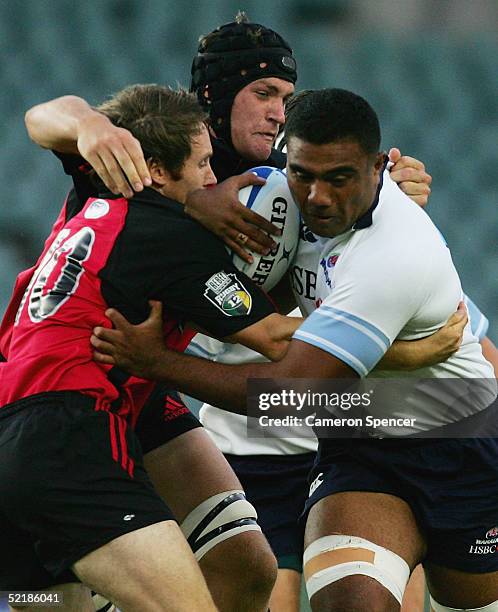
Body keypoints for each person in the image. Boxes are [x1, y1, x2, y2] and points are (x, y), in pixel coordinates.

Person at [29, 14, 460, 611]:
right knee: (76, 598)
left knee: (246, 568)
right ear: (215, 98)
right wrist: (87, 125)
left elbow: (320, 296)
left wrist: (385, 194)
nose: (279, 111)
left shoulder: (296, 183)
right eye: (263, 93)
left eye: (287, 96)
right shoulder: (148, 164)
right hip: (92, 395)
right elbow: (43, 117)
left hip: (167, 394)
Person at [91, 88, 498, 612]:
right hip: (362, 437)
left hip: (457, 439)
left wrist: (157, 362)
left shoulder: (397, 254)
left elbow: (290, 395)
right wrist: (196, 200)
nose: (318, 197)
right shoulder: (286, 203)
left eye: (339, 178)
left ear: (378, 167)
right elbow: (276, 312)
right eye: (303, 174)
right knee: (350, 602)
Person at [1, 83, 309, 611]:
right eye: (204, 164)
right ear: (160, 173)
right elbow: (279, 342)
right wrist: (382, 327)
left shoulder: (98, 188)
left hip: (48, 409)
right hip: (70, 431)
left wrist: (84, 121)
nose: (214, 179)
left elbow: (41, 115)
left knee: (246, 566)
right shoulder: (172, 236)